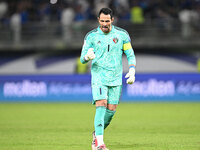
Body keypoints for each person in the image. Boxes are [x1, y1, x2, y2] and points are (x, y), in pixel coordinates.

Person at [80, 8, 136, 150]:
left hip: (116, 78)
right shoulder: (91, 36)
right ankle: (100, 143)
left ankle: (96, 135)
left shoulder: (122, 35)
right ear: (98, 20)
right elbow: (82, 59)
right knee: (101, 104)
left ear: (112, 20)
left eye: (107, 21)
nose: (104, 24)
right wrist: (87, 57)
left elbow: (130, 54)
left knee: (111, 111)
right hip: (99, 76)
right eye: (102, 21)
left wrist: (132, 70)